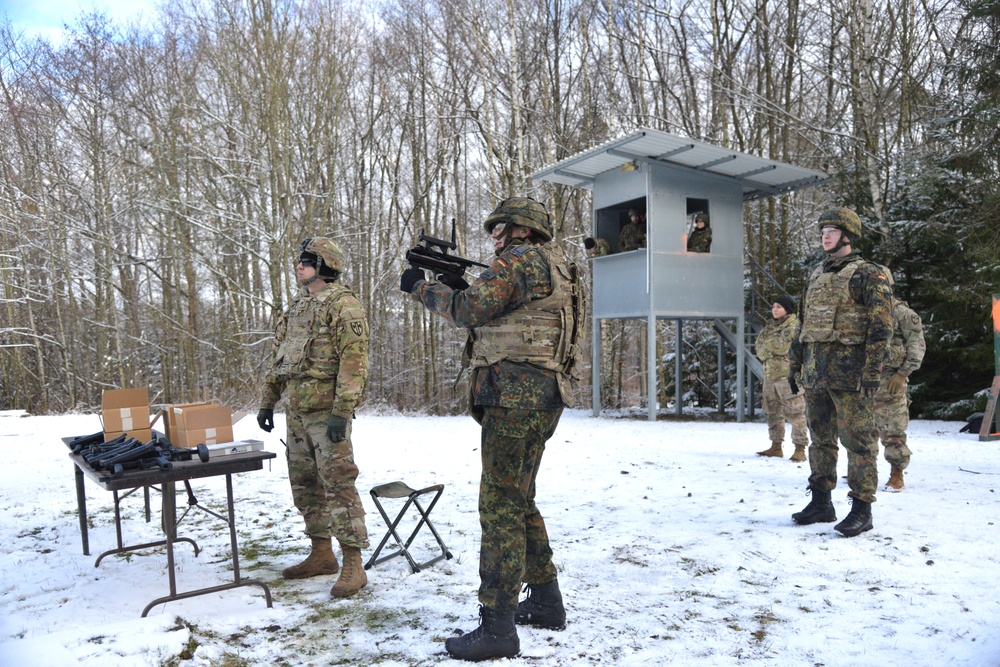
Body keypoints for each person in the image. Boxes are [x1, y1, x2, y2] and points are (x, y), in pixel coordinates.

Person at [400, 197, 584, 662]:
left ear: (520, 228)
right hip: (544, 394)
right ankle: (545, 602)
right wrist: (464, 285)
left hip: (514, 395)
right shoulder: (557, 265)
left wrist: (422, 289)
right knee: (519, 500)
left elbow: (468, 310)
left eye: (499, 230)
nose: (495, 239)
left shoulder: (519, 260)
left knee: (499, 506)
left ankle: (497, 627)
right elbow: (500, 307)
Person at [256, 237, 371, 597]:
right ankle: (322, 553)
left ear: (325, 265)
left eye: (307, 261)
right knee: (305, 484)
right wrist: (267, 401)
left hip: (327, 412)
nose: (299, 266)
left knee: (338, 484)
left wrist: (343, 410)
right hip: (297, 411)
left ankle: (353, 562)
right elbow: (280, 357)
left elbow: (355, 363)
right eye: (299, 260)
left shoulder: (344, 306)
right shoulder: (298, 307)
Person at [787, 207, 893, 537]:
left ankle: (862, 509)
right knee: (820, 441)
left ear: (847, 235)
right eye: (823, 231)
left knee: (859, 443)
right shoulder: (816, 276)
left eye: (832, 230)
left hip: (852, 376)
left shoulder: (869, 274)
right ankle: (822, 502)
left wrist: (872, 370)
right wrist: (795, 363)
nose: (825, 236)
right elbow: (802, 324)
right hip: (817, 373)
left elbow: (882, 327)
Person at [874, 293, 925, 490]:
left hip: (890, 379)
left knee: (892, 428)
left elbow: (917, 344)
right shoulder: (863, 310)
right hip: (863, 378)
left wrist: (903, 373)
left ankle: (897, 474)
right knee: (861, 428)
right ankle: (863, 472)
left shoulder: (902, 312)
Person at [755, 296, 809, 461]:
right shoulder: (769, 327)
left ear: (787, 309)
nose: (775, 310)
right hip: (770, 376)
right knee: (772, 412)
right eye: (773, 307)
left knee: (795, 413)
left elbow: (783, 346)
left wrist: (769, 347)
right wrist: (769, 348)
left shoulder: (793, 326)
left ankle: (799, 448)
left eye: (778, 307)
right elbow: (759, 348)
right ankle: (776, 446)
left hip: (789, 377)